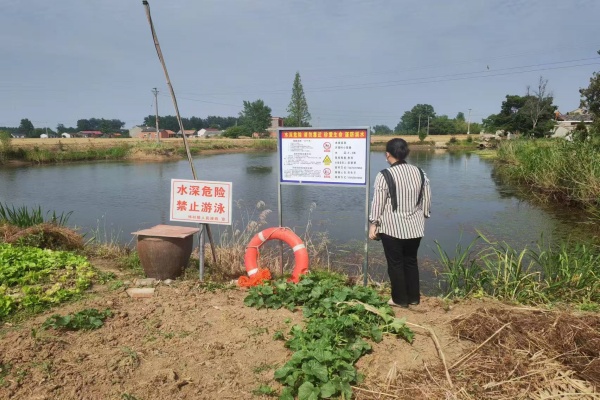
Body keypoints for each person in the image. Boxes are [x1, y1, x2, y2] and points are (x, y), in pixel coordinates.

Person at [369, 138, 431, 308]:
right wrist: (424, 214)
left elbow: (378, 202)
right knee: (410, 261)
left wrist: (373, 223)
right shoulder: (420, 172)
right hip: (415, 227)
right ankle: (413, 297)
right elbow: (426, 198)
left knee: (395, 263)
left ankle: (399, 299)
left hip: (392, 227)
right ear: (406, 153)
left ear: (387, 154)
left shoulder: (384, 175)